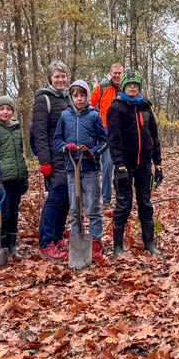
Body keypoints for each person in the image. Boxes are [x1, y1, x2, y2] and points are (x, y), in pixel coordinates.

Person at [106, 70, 163, 258]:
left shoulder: (146, 107)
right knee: (124, 204)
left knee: (145, 203)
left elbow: (154, 137)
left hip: (144, 164)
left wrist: (158, 164)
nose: (132, 87)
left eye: (135, 84)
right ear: (123, 86)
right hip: (125, 165)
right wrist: (119, 165)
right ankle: (117, 248)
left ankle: (149, 244)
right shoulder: (116, 108)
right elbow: (113, 140)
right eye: (129, 84)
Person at [54, 80, 108, 262]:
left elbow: (104, 141)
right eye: (75, 95)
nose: (79, 99)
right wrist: (65, 147)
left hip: (90, 168)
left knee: (93, 207)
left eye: (82, 95)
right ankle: (77, 240)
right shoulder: (64, 116)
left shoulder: (94, 116)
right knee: (75, 208)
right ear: (71, 97)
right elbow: (57, 140)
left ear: (87, 96)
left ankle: (95, 241)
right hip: (72, 168)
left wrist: (92, 152)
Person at [0, 95, 29, 264]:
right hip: (1, 180)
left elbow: (20, 153)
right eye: (1, 109)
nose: (5, 112)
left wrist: (24, 175)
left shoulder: (16, 128)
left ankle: (12, 246)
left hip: (16, 178)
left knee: (14, 213)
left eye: (8, 109)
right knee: (2, 214)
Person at [33, 61, 71, 259]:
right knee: (55, 199)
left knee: (66, 199)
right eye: (57, 76)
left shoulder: (69, 98)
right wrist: (44, 160)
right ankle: (45, 243)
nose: (60, 80)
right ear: (50, 78)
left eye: (63, 76)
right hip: (53, 158)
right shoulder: (43, 99)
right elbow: (38, 132)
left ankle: (57, 236)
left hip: (69, 157)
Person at [90, 62, 124, 207]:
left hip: (124, 131)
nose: (117, 75)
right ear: (110, 74)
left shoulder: (128, 88)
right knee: (108, 164)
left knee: (124, 165)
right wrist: (96, 119)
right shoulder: (102, 88)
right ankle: (107, 199)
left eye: (120, 73)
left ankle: (123, 197)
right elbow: (88, 103)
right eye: (115, 73)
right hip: (106, 131)